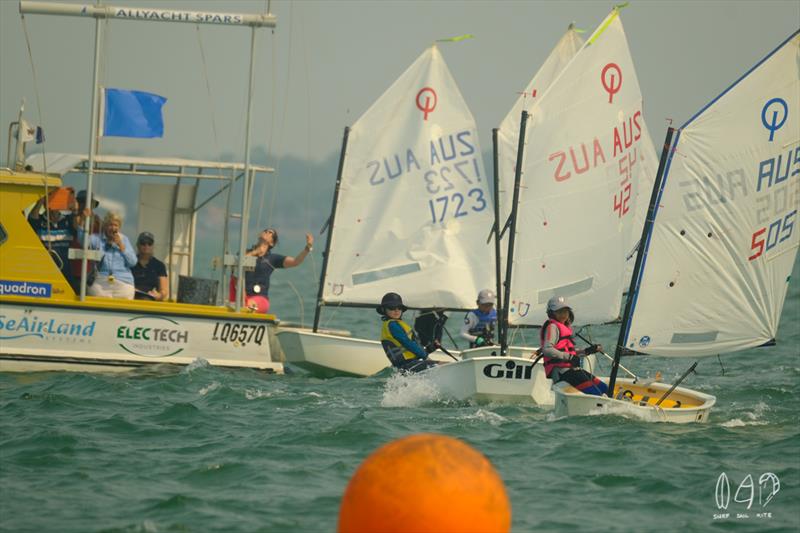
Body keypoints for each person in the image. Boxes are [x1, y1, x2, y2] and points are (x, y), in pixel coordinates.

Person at [539, 296, 608, 396]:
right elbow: (547, 349)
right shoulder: (552, 327)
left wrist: (587, 351)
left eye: (565, 311)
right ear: (551, 313)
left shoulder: (563, 327)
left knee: (604, 388)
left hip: (570, 370)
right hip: (561, 372)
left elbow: (569, 351)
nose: (563, 314)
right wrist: (569, 357)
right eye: (559, 312)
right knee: (596, 393)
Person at [236, 228, 314, 313]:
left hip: (260, 299)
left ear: (272, 243)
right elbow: (238, 261)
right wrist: (255, 252)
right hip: (242, 297)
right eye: (265, 231)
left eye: (270, 233)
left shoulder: (272, 259)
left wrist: (307, 248)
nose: (267, 232)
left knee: (247, 307)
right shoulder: (246, 252)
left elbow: (295, 261)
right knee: (238, 306)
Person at [28, 187, 77, 288]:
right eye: (50, 200)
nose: (53, 205)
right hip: (45, 269)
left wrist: (74, 207)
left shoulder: (68, 220)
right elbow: (32, 219)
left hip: (65, 269)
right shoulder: (40, 221)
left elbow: (77, 228)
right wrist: (41, 200)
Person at [377, 292, 440, 373]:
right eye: (392, 307)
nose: (396, 310)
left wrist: (431, 348)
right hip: (408, 365)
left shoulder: (396, 324)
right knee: (444, 364)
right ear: (383, 309)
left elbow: (411, 349)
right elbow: (407, 343)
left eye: (399, 307)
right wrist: (425, 356)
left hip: (408, 366)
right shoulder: (392, 325)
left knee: (441, 364)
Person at [86, 212, 138, 299]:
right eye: (110, 225)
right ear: (105, 226)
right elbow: (83, 242)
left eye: (116, 225)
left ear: (119, 227)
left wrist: (121, 246)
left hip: (123, 281)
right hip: (101, 280)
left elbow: (133, 262)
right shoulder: (96, 238)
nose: (113, 228)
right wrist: (81, 224)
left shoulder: (124, 239)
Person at [69, 189, 102, 291]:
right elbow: (76, 226)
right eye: (82, 202)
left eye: (88, 203)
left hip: (92, 264)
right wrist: (83, 218)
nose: (85, 205)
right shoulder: (73, 217)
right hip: (76, 263)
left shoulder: (98, 220)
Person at [132, 231, 168, 301]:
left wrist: (159, 295)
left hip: (150, 301)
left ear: (153, 246)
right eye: (143, 243)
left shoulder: (159, 265)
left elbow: (164, 290)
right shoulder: (130, 263)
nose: (146, 246)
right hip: (132, 299)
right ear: (137, 245)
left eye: (149, 243)